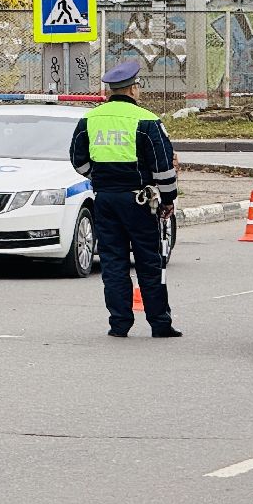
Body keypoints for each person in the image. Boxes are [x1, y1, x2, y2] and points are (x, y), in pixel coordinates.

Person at [70, 59, 180, 338]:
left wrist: (99, 178)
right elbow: (163, 167)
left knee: (113, 262)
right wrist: (168, 200)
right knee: (148, 262)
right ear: (133, 89)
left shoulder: (90, 119)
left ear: (111, 91)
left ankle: (119, 324)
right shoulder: (147, 121)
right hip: (140, 202)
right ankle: (160, 324)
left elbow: (77, 159)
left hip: (105, 200)